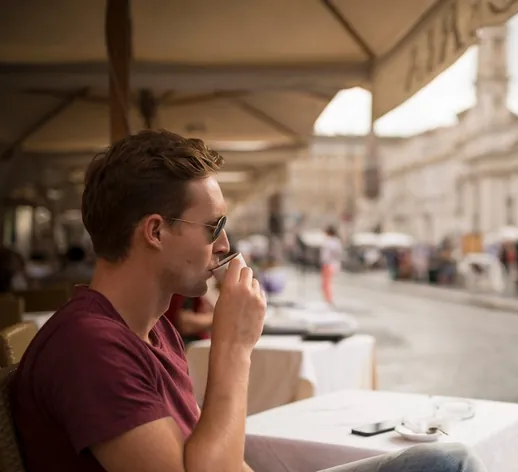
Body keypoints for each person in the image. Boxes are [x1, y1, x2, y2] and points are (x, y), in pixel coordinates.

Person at [11, 130, 483, 472]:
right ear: (155, 231)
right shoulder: (91, 348)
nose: (225, 245)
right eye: (214, 227)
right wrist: (234, 348)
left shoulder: (151, 328)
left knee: (444, 458)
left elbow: (213, 457)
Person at [320, 225, 342, 306]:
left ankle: (328, 299)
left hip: (329, 263)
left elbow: (334, 253)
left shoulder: (331, 242)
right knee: (325, 283)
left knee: (327, 283)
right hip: (328, 263)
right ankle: (327, 298)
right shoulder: (333, 241)